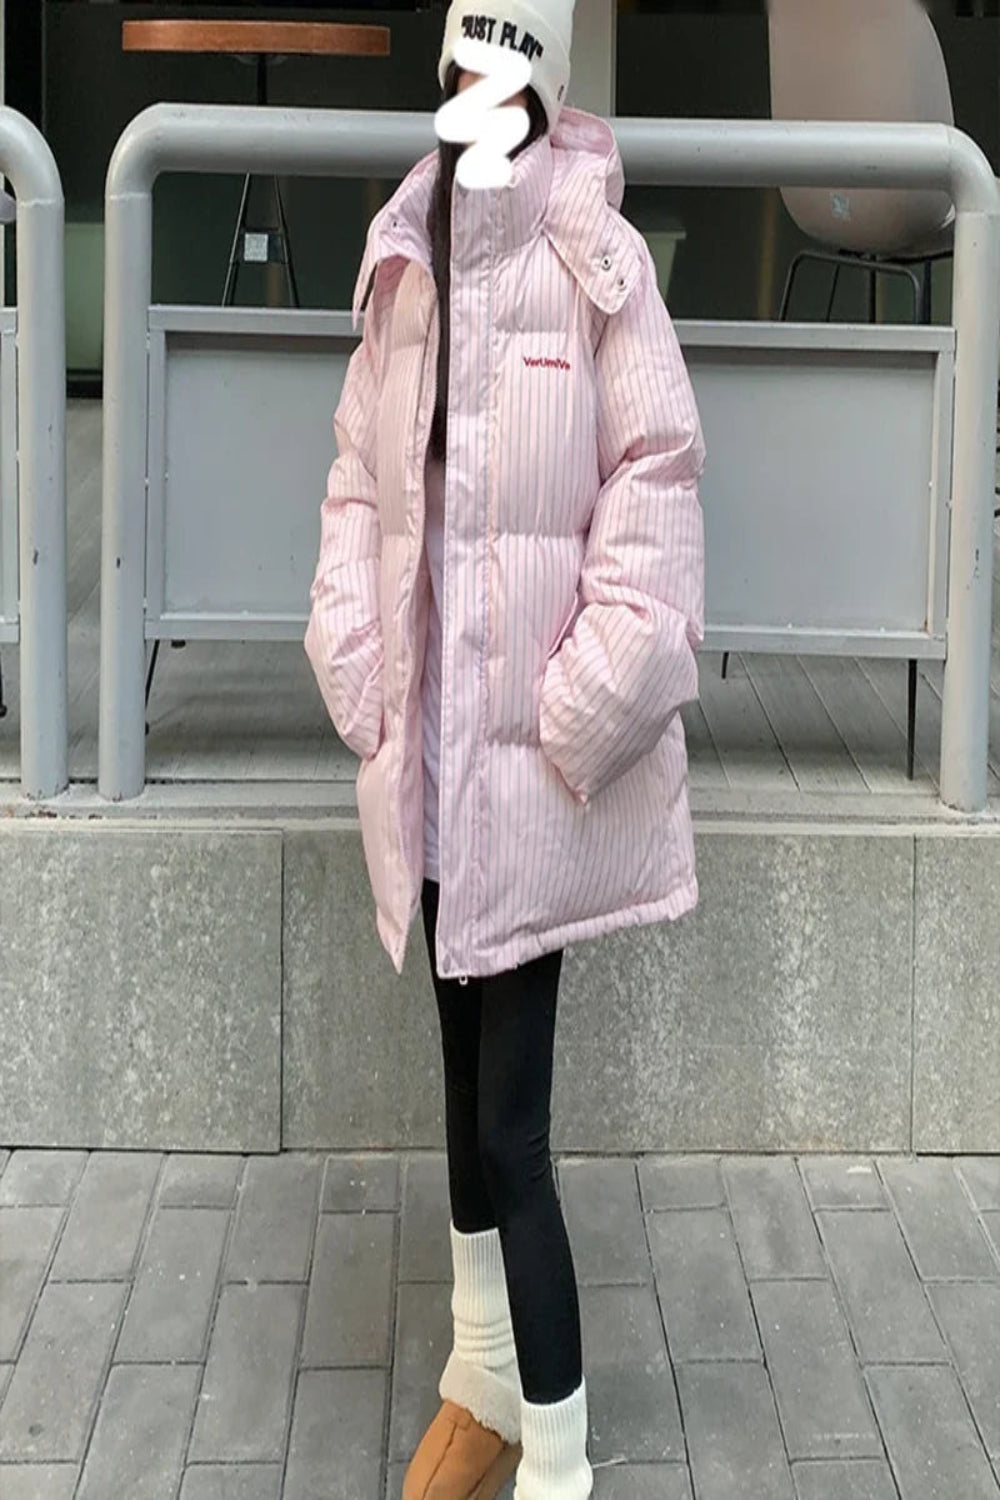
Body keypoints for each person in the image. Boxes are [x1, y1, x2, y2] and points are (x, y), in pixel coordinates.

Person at [304, 0, 706, 1492]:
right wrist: (358, 664)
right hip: (428, 765)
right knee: (456, 1096)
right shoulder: (407, 258)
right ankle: (480, 1369)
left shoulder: (594, 263)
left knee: (516, 1130)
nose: (477, 89)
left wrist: (569, 720)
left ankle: (562, 1457)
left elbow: (656, 497)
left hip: (529, 783)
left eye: (505, 65)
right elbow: (359, 477)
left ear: (543, 80)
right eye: (460, 64)